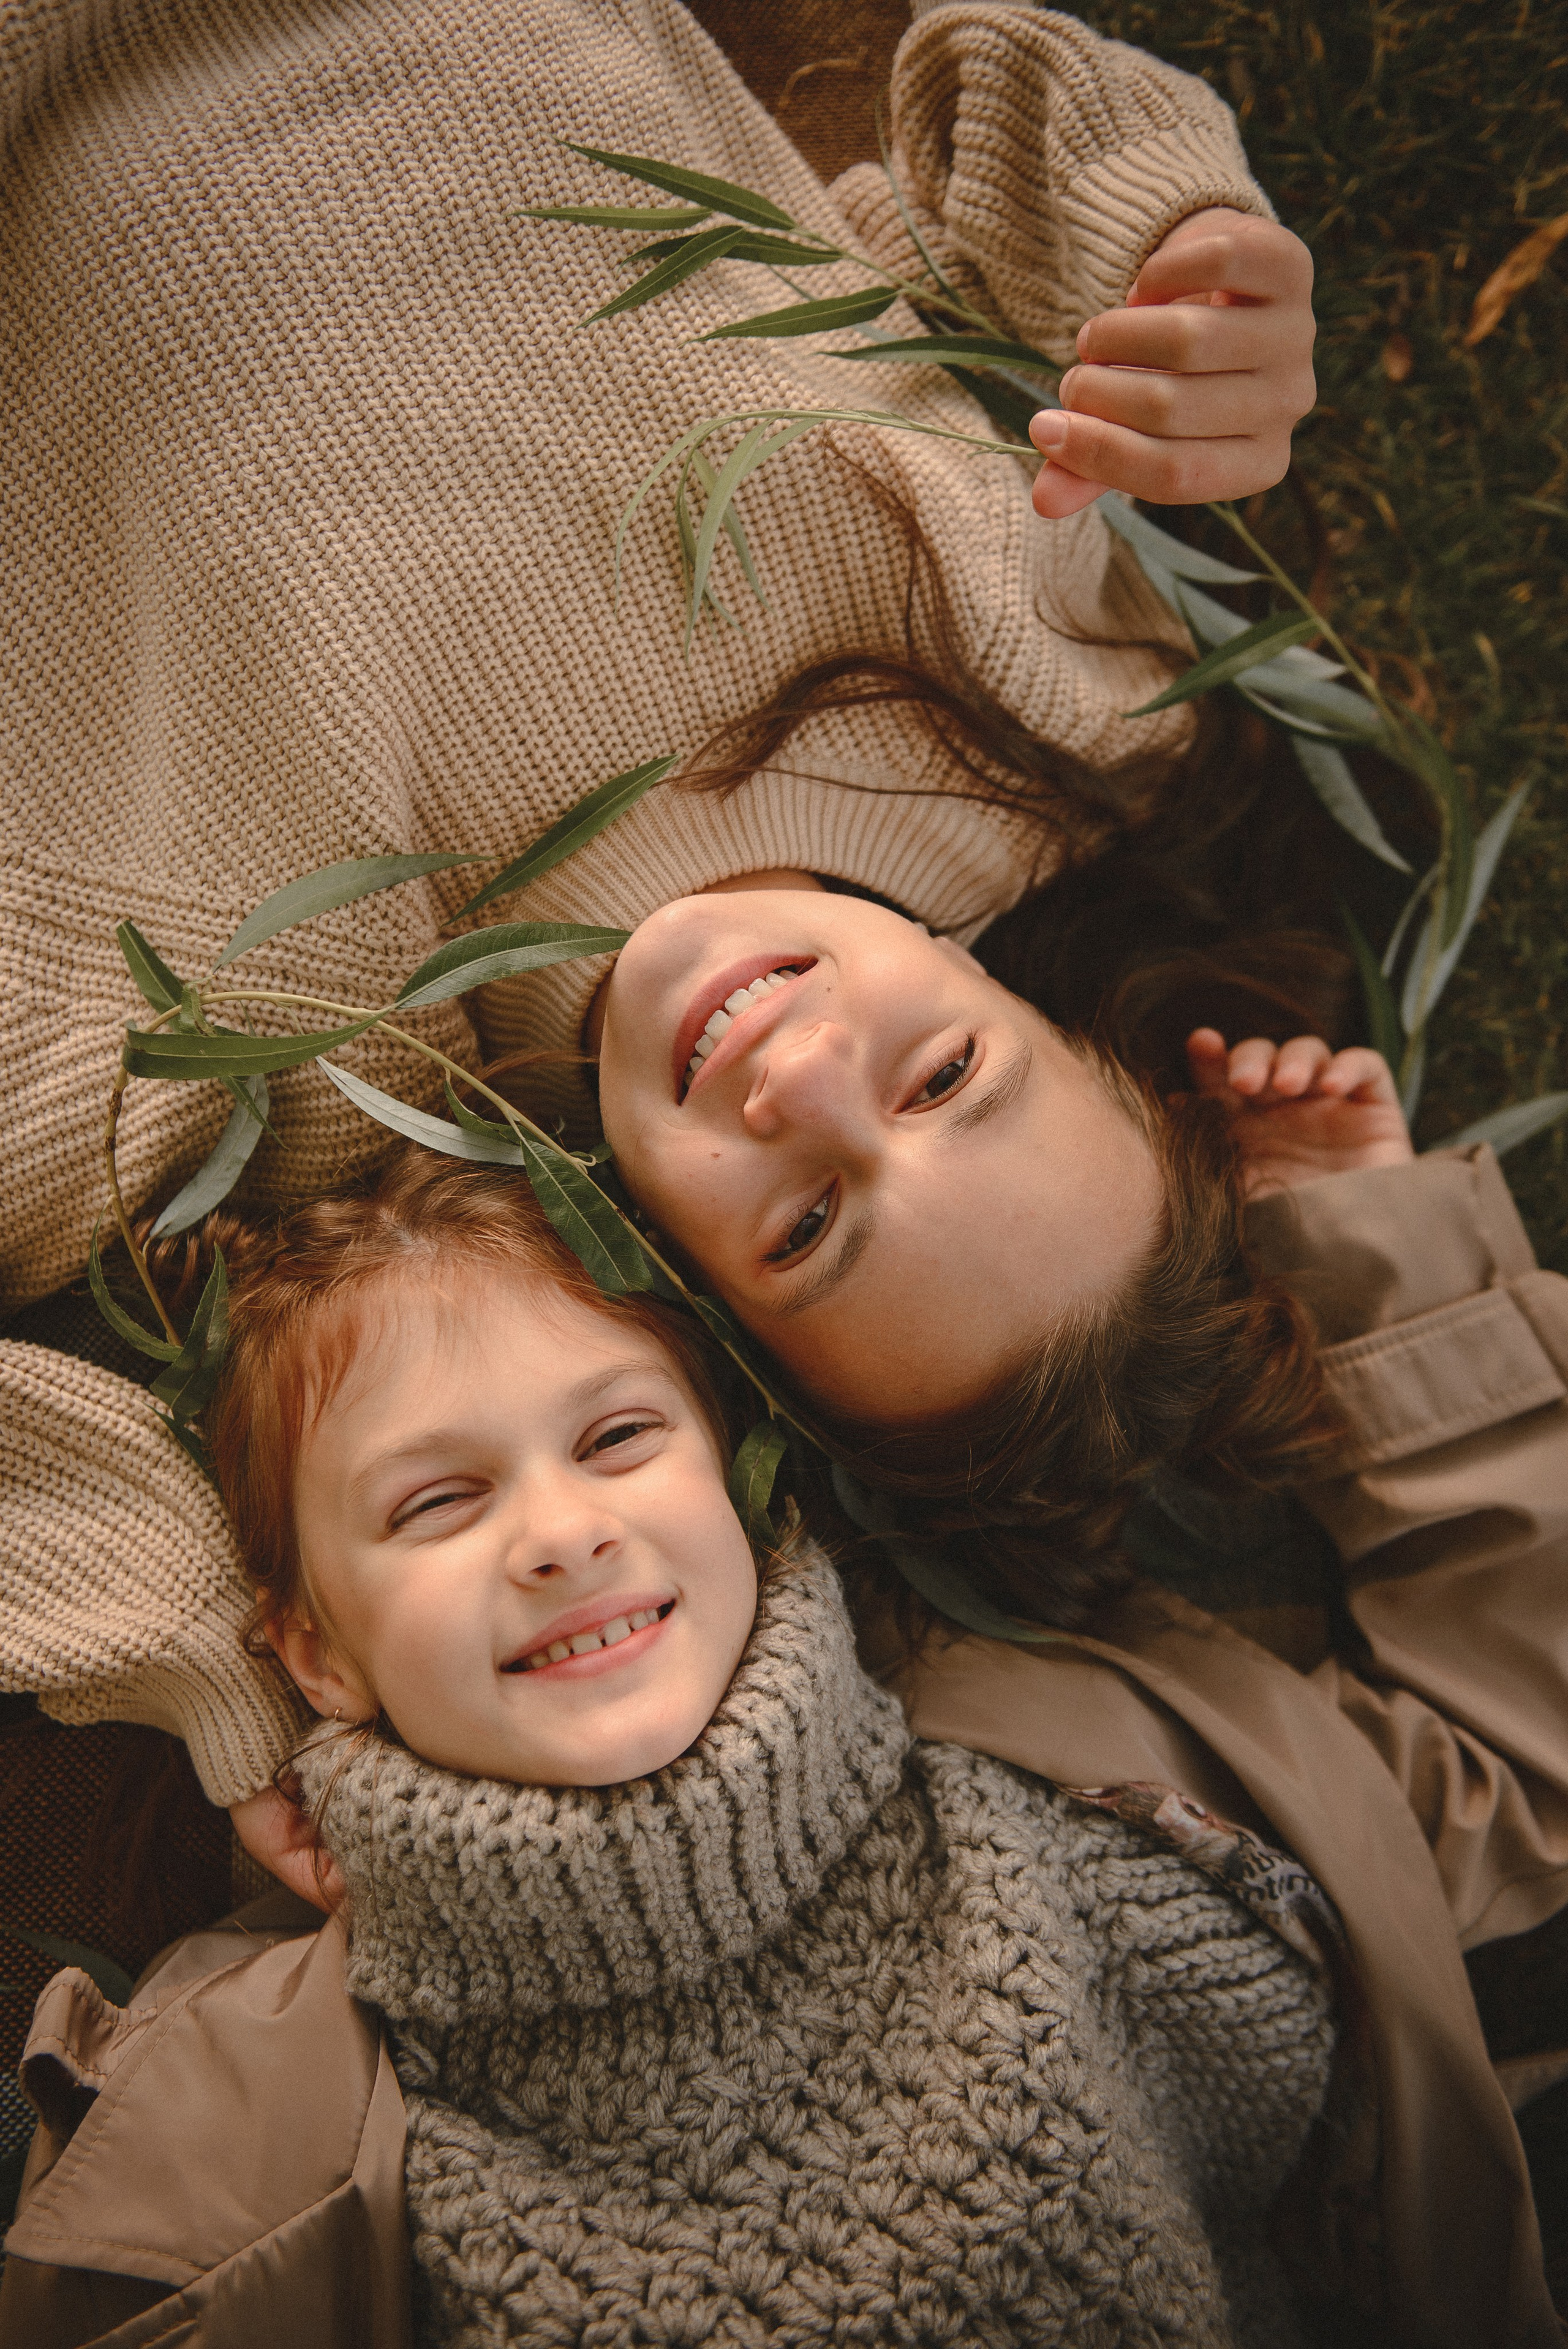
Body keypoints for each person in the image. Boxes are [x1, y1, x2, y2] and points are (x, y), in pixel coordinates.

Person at [2, 1146, 1341, 2345]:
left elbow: (1505, 1818)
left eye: (619, 1435)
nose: (561, 1533)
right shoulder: (244, 2124)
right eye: (438, 1499)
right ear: (315, 1653)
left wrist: (1363, 1217)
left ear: (741, 1488)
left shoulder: (1069, 1791)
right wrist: (218, 1694)